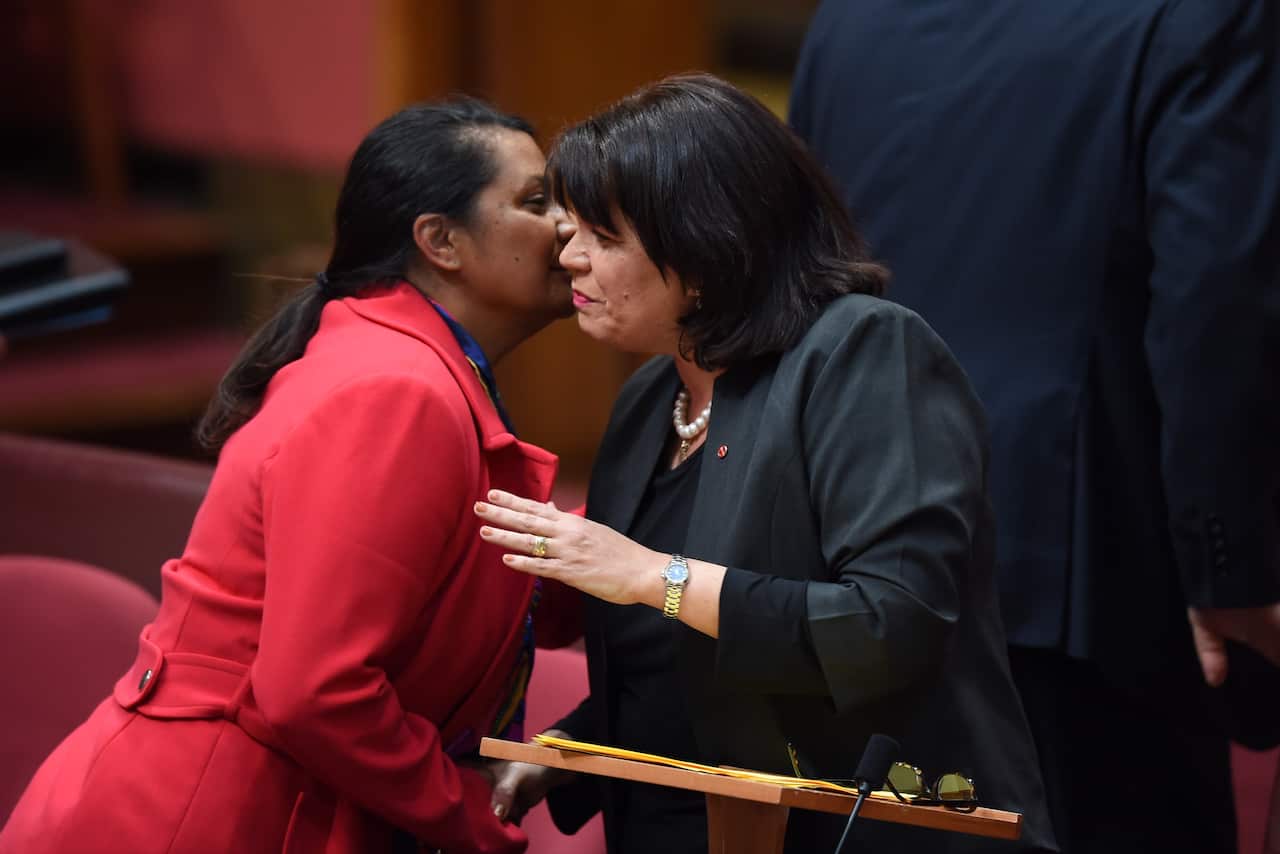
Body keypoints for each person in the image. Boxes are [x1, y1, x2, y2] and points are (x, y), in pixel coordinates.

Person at [472, 73, 1056, 853]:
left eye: (603, 237)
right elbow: (686, 663)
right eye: (571, 227)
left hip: (865, 829)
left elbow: (890, 627)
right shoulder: (651, 396)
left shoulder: (863, 352)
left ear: (708, 251)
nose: (568, 256)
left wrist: (654, 575)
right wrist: (568, 752)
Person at [0, 98, 580, 854]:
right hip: (198, 820)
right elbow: (316, 691)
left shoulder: (407, 361)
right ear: (440, 241)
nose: (569, 226)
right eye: (536, 203)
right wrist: (468, 818)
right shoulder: (397, 389)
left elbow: (473, 599)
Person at [787, 2, 1280, 851]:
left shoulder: (852, 19)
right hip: (1083, 570)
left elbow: (794, 269)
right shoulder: (1205, 15)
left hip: (845, 547)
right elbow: (1216, 307)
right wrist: (1226, 569)